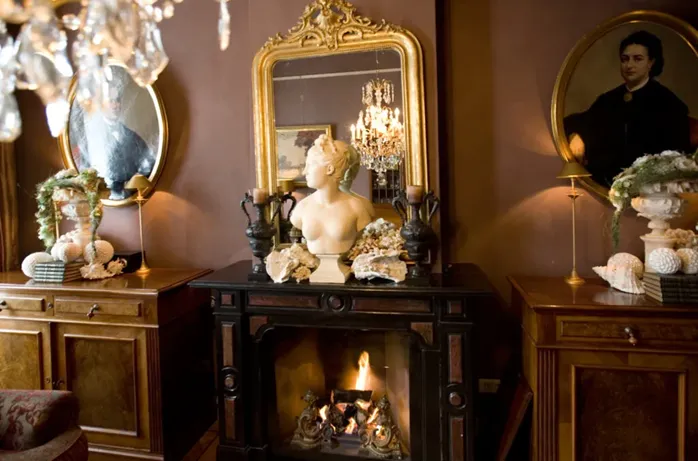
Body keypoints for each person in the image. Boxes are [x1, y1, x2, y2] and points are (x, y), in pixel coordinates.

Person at [564, 30, 692, 187]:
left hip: (648, 190)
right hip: (604, 185)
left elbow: (676, 158)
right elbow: (582, 121)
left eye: (637, 59)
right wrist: (576, 135)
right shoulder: (608, 100)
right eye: (625, 59)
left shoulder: (668, 103)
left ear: (651, 63)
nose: (629, 65)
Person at [73, 99, 155, 200]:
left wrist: (131, 189)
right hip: (104, 201)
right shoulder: (90, 138)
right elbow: (84, 174)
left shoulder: (133, 137)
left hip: (131, 201)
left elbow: (148, 166)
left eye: (117, 101)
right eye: (111, 101)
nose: (115, 105)